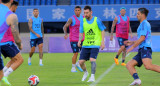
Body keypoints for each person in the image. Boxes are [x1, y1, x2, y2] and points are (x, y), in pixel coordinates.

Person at [125, 8, 160, 85]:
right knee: (129, 64)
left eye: (138, 14)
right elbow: (142, 38)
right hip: (142, 49)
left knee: (148, 66)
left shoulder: (144, 23)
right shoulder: (142, 24)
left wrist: (131, 48)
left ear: (143, 15)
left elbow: (142, 38)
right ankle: (137, 80)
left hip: (145, 48)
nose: (137, 15)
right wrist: (132, 42)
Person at [78, 6, 106, 82]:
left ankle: (92, 77)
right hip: (86, 44)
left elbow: (102, 30)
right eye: (84, 13)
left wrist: (102, 41)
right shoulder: (83, 21)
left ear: (91, 12)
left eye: (87, 13)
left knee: (92, 59)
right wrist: (79, 40)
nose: (85, 14)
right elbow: (81, 32)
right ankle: (86, 73)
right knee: (80, 62)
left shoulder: (97, 20)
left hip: (95, 43)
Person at [0, 0, 24, 85]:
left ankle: (3, 74)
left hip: (5, 43)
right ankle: (5, 76)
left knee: (13, 59)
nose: (16, 9)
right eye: (16, 7)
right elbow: (15, 34)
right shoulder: (10, 16)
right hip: (6, 42)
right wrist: (20, 45)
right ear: (11, 3)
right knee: (20, 60)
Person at [63, 6, 83, 72]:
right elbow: (65, 27)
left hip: (82, 38)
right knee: (76, 53)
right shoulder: (71, 19)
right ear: (74, 11)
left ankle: (78, 63)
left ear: (81, 11)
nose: (77, 11)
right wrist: (66, 34)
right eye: (76, 10)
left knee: (86, 53)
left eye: (78, 10)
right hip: (74, 39)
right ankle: (73, 67)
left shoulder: (83, 18)